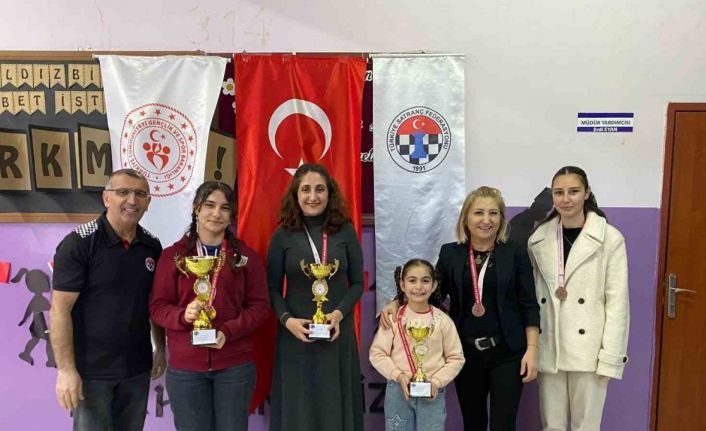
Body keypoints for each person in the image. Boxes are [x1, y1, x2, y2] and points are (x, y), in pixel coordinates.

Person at [381, 186, 540, 431]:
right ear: (466, 218)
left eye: (493, 213)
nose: (486, 220)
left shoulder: (515, 252)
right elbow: (431, 292)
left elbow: (528, 303)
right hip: (466, 352)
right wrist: (396, 301)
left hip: (508, 353)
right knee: (472, 423)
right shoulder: (450, 253)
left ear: (501, 219)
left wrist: (532, 349)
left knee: (504, 424)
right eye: (479, 213)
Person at [50, 168, 166, 431]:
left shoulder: (152, 246)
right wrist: (66, 370)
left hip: (137, 369)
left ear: (148, 202)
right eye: (123, 192)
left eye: (140, 194)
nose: (132, 200)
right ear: (106, 198)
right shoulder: (79, 243)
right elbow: (59, 309)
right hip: (91, 373)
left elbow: (154, 303)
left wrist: (161, 347)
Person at [150, 181, 270, 431]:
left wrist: (228, 331)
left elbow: (260, 307)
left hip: (235, 368)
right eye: (209, 205)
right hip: (186, 369)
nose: (216, 213)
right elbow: (158, 307)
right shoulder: (173, 256)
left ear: (231, 215)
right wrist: (183, 315)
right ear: (196, 209)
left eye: (224, 208)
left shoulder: (245, 257)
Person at [527, 166, 629, 431]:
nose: (565, 199)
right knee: (552, 425)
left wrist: (610, 357)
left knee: (587, 426)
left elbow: (617, 303)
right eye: (558, 192)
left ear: (587, 193)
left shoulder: (609, 238)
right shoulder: (538, 239)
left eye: (573, 191)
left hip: (590, 349)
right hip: (551, 345)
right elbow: (533, 296)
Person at [267, 163, 364, 431]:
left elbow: (357, 284)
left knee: (334, 405)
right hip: (295, 337)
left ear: (329, 193)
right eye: (306, 189)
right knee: (299, 409)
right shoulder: (282, 234)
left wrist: (338, 314)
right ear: (295, 194)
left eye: (320, 189)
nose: (313, 196)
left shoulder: (345, 231)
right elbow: (272, 288)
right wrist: (287, 321)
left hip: (336, 334)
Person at [370, 259, 465, 431]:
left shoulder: (443, 321)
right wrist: (398, 375)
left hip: (432, 392)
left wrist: (436, 382)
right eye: (412, 280)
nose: (419, 287)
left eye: (425, 281)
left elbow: (456, 358)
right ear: (402, 285)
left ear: (434, 285)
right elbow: (377, 354)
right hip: (399, 390)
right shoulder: (393, 318)